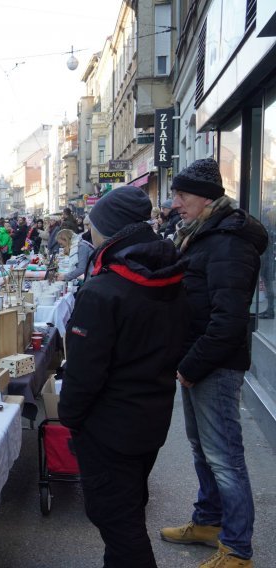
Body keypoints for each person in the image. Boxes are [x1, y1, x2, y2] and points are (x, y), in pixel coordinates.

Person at [59, 186, 189, 568]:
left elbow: (84, 374)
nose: (88, 230)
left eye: (93, 224)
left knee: (119, 522)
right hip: (149, 418)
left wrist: (70, 417)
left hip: (109, 428)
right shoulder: (169, 275)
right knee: (128, 508)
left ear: (109, 230)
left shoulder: (104, 289)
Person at [160, 158, 266, 568]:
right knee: (203, 449)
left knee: (225, 457)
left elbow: (228, 322)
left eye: (182, 195)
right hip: (197, 359)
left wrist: (191, 366)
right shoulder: (203, 234)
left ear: (206, 198)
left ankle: (237, 550)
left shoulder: (228, 241)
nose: (175, 202)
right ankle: (208, 521)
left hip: (213, 366)